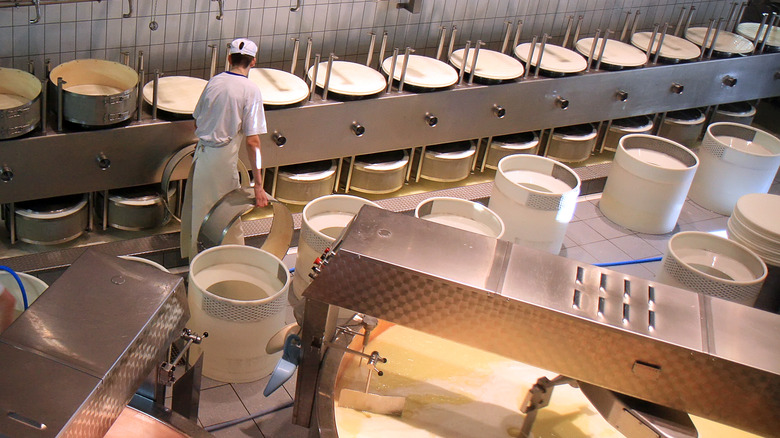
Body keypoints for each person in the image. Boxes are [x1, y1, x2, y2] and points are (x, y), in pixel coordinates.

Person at [181, 38, 269, 259]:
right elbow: (253, 142)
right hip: (221, 165)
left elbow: (197, 122)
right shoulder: (251, 90)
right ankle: (226, 270)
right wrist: (258, 185)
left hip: (202, 158)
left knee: (200, 215)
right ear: (253, 62)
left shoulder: (214, 82)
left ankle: (199, 266)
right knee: (224, 221)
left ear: (229, 58)